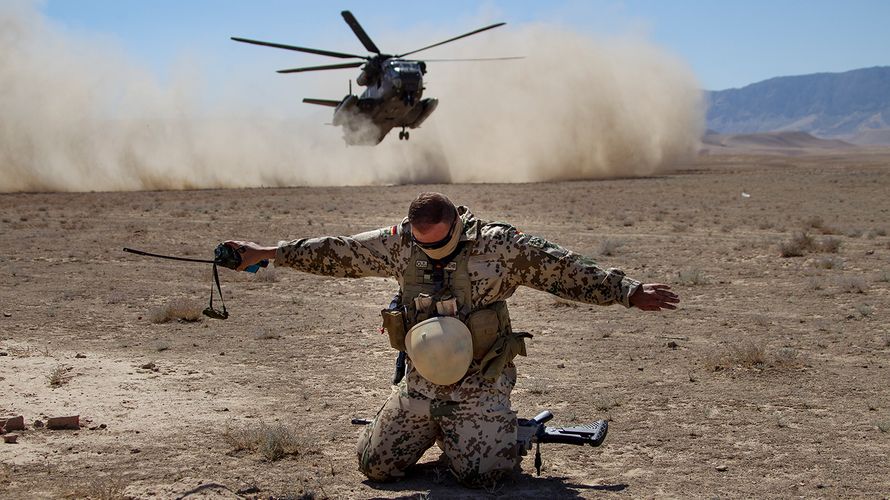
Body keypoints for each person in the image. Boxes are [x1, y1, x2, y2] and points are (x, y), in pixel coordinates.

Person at [225, 192, 678, 487]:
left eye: (441, 243)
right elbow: (337, 251)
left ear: (456, 225)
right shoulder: (399, 242)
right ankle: (444, 430)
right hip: (422, 382)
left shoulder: (500, 246)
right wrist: (267, 253)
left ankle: (507, 435)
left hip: (480, 379)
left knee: (485, 476)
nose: (432, 251)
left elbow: (565, 269)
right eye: (424, 244)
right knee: (375, 469)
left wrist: (628, 291)